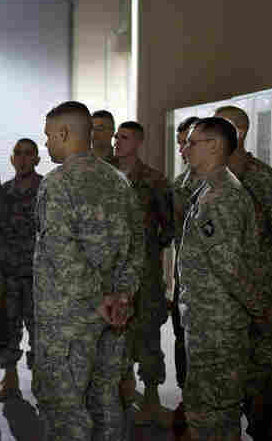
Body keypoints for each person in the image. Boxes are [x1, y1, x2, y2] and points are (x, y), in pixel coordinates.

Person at [34, 101, 144, 440]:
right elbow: (137, 246)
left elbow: (61, 251)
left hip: (69, 321)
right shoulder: (119, 181)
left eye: (50, 136)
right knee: (106, 401)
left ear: (65, 134)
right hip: (114, 318)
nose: (47, 143)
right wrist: (121, 297)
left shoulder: (57, 183)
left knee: (66, 409)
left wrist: (99, 300)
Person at [177, 117, 271, 441]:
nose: (184, 149)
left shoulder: (221, 197)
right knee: (206, 407)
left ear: (215, 146)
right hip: (207, 318)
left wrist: (260, 310)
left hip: (217, 324)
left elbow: (231, 268)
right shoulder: (210, 187)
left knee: (215, 412)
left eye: (191, 142)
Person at [214, 106, 272, 441]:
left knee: (259, 383)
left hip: (254, 305)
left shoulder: (263, 179)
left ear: (238, 132)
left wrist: (265, 281)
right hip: (215, 303)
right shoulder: (206, 175)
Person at [111, 121, 175, 426]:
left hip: (145, 276)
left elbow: (170, 226)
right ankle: (122, 393)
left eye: (123, 138)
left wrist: (148, 251)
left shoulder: (154, 181)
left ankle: (150, 397)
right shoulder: (104, 175)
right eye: (116, 137)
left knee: (148, 335)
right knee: (115, 334)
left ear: (138, 142)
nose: (116, 142)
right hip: (111, 273)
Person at [0, 138, 42, 401]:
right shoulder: (3, 192)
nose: (22, 158)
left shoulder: (46, 189)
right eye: (18, 154)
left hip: (40, 275)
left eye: (28, 154)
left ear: (37, 159)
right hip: (9, 272)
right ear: (12, 159)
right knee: (7, 325)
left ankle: (42, 380)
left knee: (40, 326)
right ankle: (9, 377)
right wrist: (15, 246)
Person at [170, 115, 200, 431]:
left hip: (221, 289)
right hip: (186, 281)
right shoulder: (180, 186)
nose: (182, 150)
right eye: (180, 143)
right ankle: (186, 396)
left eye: (187, 143)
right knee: (182, 339)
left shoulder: (227, 185)